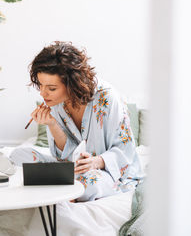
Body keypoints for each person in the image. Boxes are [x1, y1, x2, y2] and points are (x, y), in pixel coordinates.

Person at [10, 41, 143, 202]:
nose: (43, 94)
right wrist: (52, 124)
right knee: (18, 156)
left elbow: (126, 150)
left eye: (51, 88)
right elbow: (65, 155)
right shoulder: (55, 103)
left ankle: (60, 189)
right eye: (40, 85)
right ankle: (64, 187)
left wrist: (97, 162)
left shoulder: (107, 98)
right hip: (72, 168)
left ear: (72, 84)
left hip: (106, 172)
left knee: (88, 182)